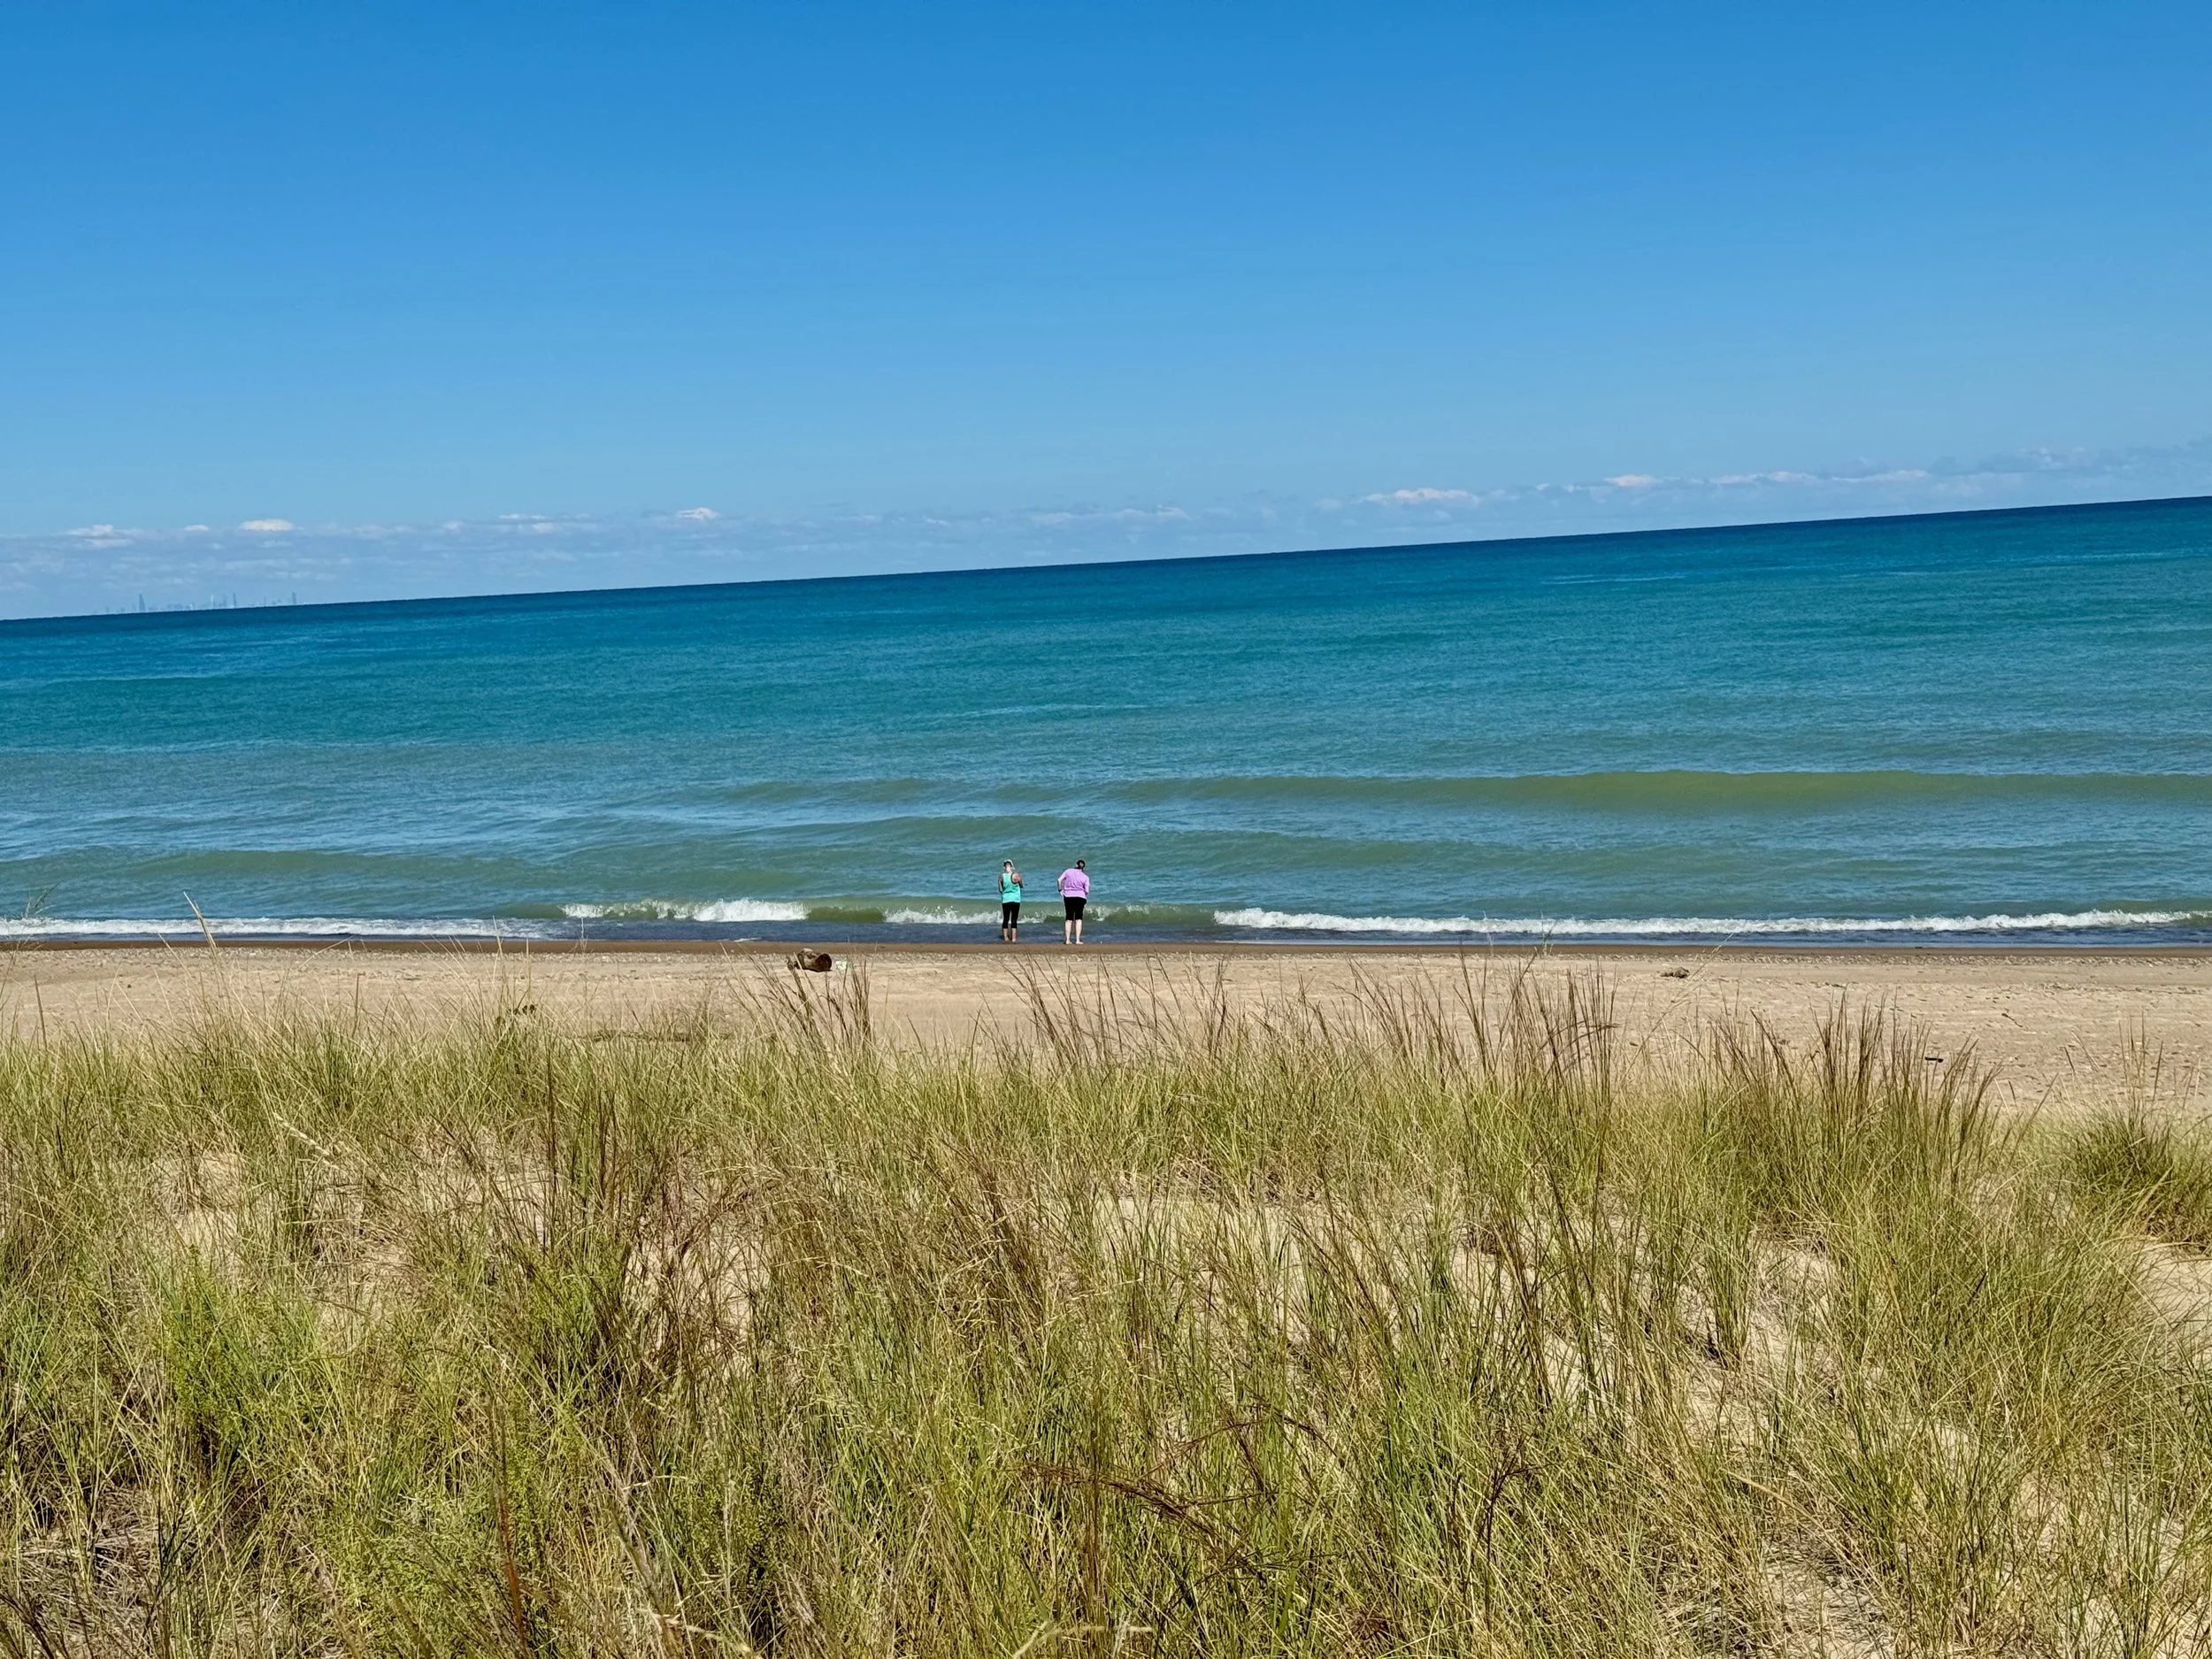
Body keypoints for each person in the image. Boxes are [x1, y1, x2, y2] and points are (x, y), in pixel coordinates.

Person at [1058, 858, 1090, 945]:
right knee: (1078, 918)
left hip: (1068, 896)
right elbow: (1087, 891)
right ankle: (1077, 940)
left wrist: (1060, 890)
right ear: (1083, 868)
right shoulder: (1085, 877)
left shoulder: (1068, 871)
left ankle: (1068, 940)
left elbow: (1059, 880)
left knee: (1069, 918)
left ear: (1076, 865)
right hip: (1080, 897)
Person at [998, 860, 1024, 942]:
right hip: (1016, 899)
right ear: (1012, 867)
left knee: (1005, 918)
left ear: (1004, 867)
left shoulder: (1001, 876)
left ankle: (1005, 938)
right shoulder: (1016, 875)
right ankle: (1013, 938)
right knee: (1014, 919)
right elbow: (1021, 885)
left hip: (1006, 899)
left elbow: (1000, 889)